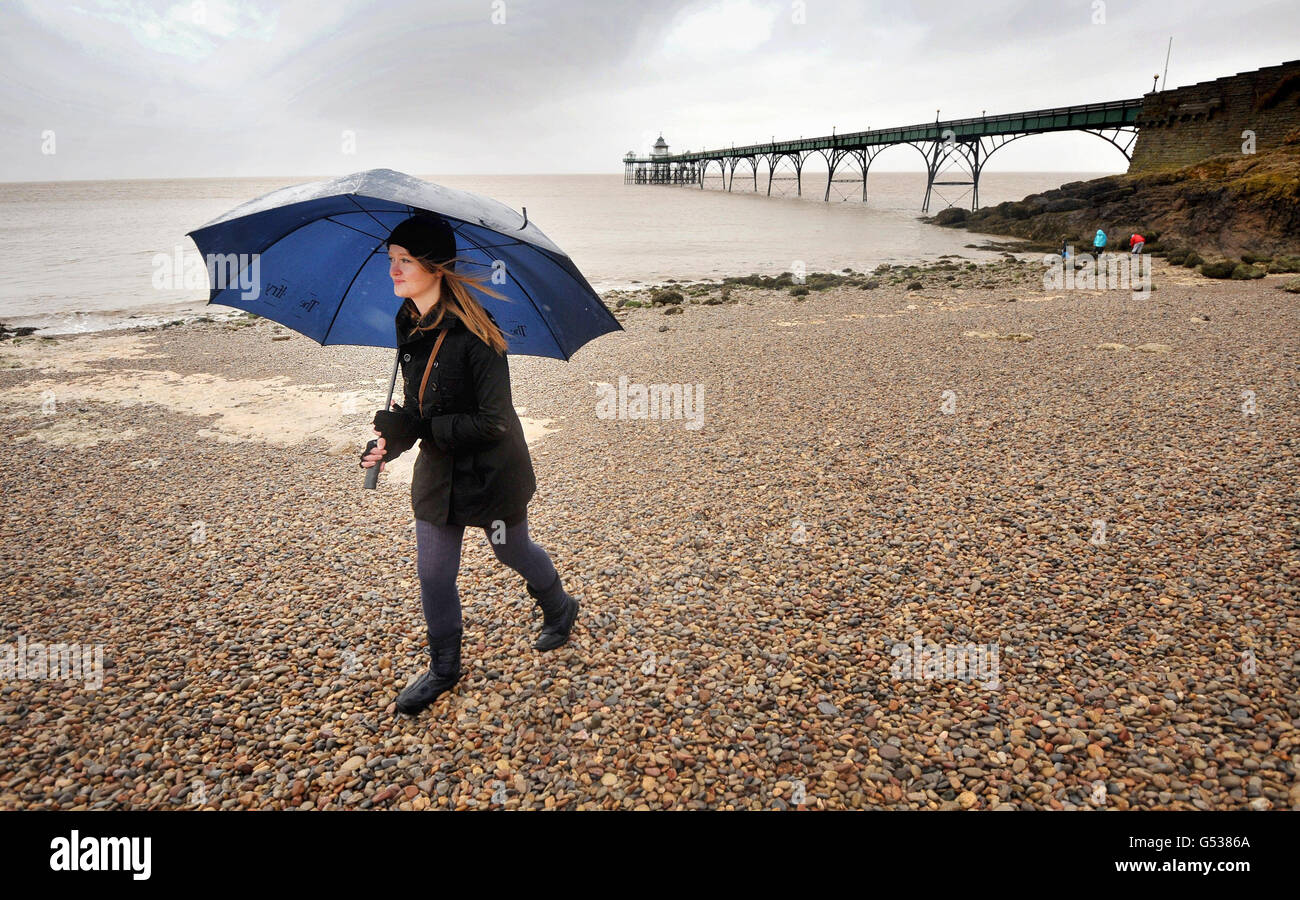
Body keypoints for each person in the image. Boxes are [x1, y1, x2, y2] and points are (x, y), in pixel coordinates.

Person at [359, 213, 580, 716]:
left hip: (491, 472)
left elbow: (494, 421)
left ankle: (561, 607)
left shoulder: (479, 334)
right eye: (391, 260)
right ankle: (444, 668)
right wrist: (391, 442)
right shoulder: (407, 321)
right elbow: (418, 407)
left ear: (435, 267)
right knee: (434, 574)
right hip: (440, 472)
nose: (393, 271)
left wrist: (427, 431)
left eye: (405, 261)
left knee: (511, 551)